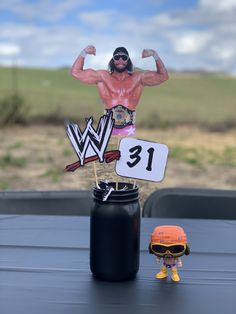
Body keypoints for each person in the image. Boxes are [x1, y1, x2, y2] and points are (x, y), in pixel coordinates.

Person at [71, 45, 168, 136]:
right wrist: (84, 52)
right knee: (109, 154)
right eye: (117, 57)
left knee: (126, 154)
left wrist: (154, 55)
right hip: (107, 129)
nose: (120, 60)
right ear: (113, 60)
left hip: (129, 129)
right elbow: (76, 72)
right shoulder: (102, 77)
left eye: (124, 57)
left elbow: (163, 76)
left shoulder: (138, 78)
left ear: (128, 60)